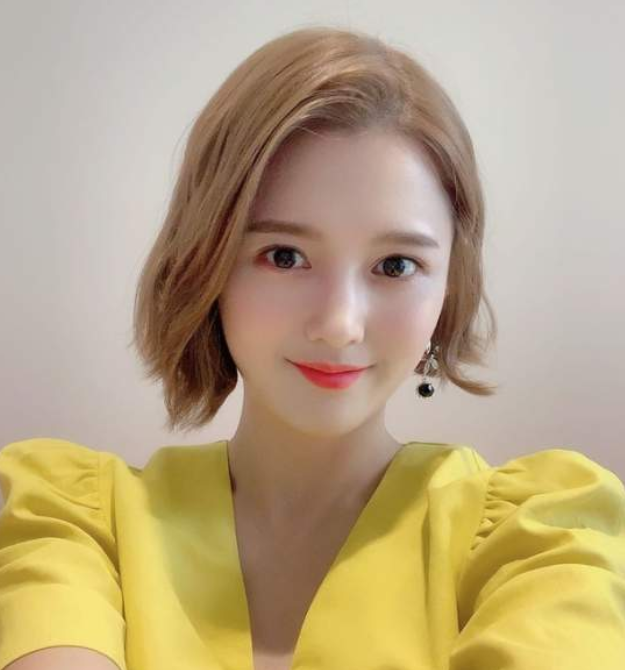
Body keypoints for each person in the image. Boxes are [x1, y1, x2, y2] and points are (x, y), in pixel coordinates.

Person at [1, 25, 624, 670]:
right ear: (205, 263)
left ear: (449, 285)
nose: (339, 324)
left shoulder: (541, 540)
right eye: (284, 255)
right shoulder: (79, 524)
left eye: (396, 265)